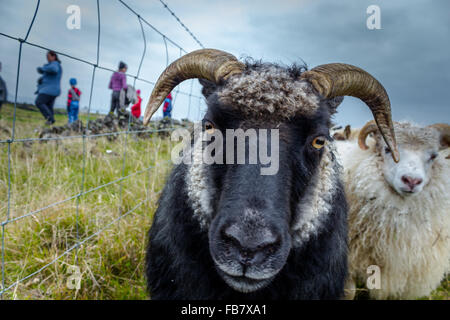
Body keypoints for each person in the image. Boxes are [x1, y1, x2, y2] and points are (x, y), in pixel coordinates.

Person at [35, 50, 62, 125]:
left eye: (48, 56)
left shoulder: (55, 64)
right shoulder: (53, 65)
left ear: (54, 56)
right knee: (49, 107)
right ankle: (50, 125)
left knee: (39, 102)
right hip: (53, 90)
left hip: (49, 90)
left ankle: (50, 119)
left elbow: (54, 69)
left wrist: (42, 69)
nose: (47, 58)